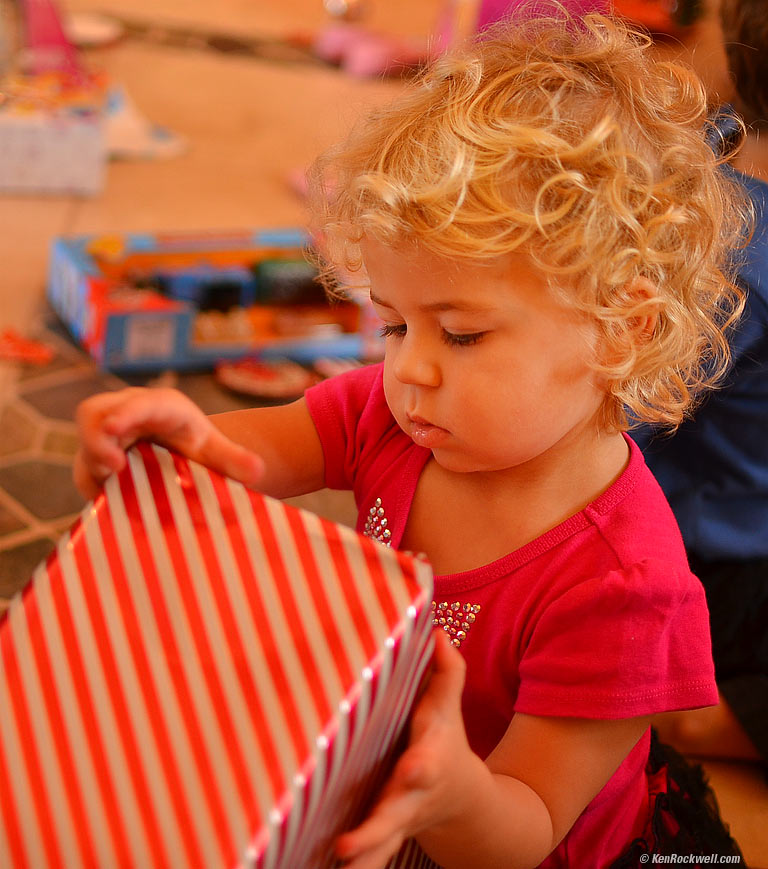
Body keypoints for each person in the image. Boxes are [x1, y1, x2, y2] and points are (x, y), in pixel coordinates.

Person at [74, 9, 747, 867]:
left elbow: (525, 827)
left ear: (620, 331)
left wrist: (450, 790)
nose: (411, 372)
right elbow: (253, 455)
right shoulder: (402, 423)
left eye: (460, 334)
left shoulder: (626, 593)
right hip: (387, 772)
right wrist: (175, 440)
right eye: (393, 326)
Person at [634, 0, 768, 767]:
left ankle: (698, 714)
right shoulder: (724, 151)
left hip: (709, 553)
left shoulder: (732, 257)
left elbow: (613, 413)